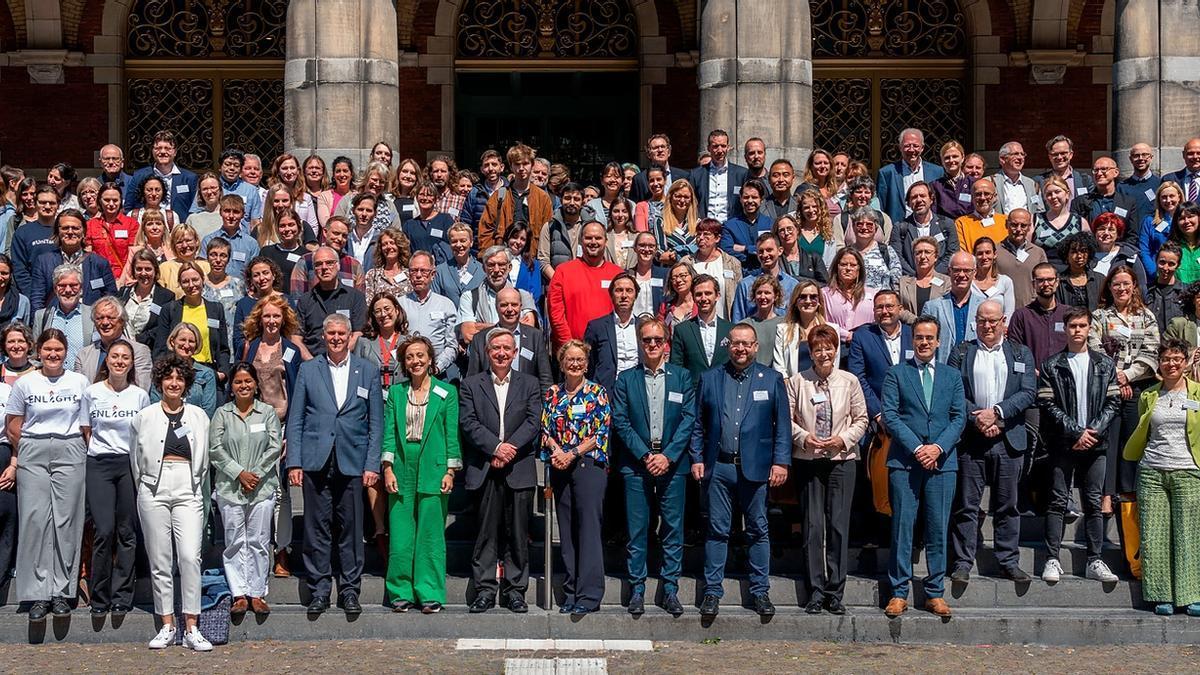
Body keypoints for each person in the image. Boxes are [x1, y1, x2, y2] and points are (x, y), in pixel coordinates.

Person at [286, 314, 382, 617]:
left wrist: (372, 464)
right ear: (324, 336)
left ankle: (350, 590)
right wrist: (294, 462)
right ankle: (319, 590)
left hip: (353, 461)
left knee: (351, 530)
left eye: (342, 333)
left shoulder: (366, 370)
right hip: (316, 460)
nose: (337, 338)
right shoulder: (309, 370)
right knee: (316, 529)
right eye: (331, 334)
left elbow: (376, 422)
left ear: (349, 336)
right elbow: (296, 418)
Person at [691, 323, 790, 617]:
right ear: (727, 346)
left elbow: (782, 425)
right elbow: (698, 424)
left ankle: (760, 592)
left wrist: (780, 461)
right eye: (736, 343)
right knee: (717, 531)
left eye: (747, 343)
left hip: (757, 468)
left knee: (758, 530)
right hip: (719, 466)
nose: (741, 349)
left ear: (756, 346)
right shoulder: (710, 379)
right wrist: (696, 457)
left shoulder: (771, 379)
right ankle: (712, 592)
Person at [944, 299, 1037, 583]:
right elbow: (953, 391)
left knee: (1007, 505)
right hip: (972, 440)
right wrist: (979, 419)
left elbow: (1028, 393)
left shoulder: (1020, 352)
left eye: (992, 320)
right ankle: (962, 562)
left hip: (1008, 437)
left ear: (1003, 322)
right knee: (967, 506)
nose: (987, 325)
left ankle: (1008, 561)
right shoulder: (962, 352)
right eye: (982, 320)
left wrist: (997, 414)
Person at [881, 316, 968, 618]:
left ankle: (934, 592)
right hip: (905, 461)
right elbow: (890, 416)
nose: (924, 342)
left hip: (942, 462)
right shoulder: (897, 374)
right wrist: (918, 448)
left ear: (939, 341)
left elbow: (959, 417)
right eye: (919, 337)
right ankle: (898, 592)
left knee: (937, 527)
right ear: (912, 340)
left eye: (930, 338)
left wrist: (937, 448)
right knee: (902, 527)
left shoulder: (951, 376)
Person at [4, 329, 90, 622]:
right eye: (48, 349)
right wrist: (28, 447)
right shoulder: (26, 383)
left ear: (66, 352)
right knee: (35, 519)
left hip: (70, 448)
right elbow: (13, 423)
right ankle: (36, 594)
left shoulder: (79, 381)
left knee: (66, 520)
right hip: (35, 449)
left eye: (59, 349)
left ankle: (62, 592)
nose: (53, 354)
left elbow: (86, 422)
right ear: (37, 351)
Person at [611, 317, 695, 616]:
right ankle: (637, 588)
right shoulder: (626, 379)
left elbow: (688, 419)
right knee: (638, 529)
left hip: (672, 464)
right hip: (637, 464)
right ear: (639, 343)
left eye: (658, 340)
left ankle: (670, 589)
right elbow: (620, 420)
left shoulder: (682, 377)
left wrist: (668, 456)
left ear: (666, 344)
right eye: (647, 340)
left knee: (673, 529)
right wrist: (646, 455)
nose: (652, 345)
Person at [131, 353, 213, 650]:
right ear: (160, 381)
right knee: (160, 559)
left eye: (180, 378)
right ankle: (167, 624)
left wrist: (195, 483)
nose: (174, 383)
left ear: (186, 383)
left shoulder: (198, 416)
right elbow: (135, 458)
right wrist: (146, 484)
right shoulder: (145, 416)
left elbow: (204, 456)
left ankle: (192, 626)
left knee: (190, 556)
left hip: (188, 487)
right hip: (154, 486)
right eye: (169, 377)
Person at [786, 324, 868, 615]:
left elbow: (862, 419)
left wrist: (842, 440)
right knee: (813, 527)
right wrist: (804, 438)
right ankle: (815, 590)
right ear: (810, 351)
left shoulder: (849, 381)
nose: (823, 353)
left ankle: (835, 590)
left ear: (837, 349)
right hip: (808, 460)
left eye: (828, 347)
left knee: (837, 526)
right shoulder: (798, 382)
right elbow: (788, 419)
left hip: (841, 460)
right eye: (818, 348)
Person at [1037, 306, 1123, 583]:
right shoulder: (1053, 364)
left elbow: (1114, 402)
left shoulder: (1104, 363)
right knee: (1058, 500)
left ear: (1089, 329)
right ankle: (1052, 558)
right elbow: (1047, 403)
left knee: (1094, 501)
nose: (1077, 330)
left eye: (1082, 326)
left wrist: (1093, 431)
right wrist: (1076, 432)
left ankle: (1094, 560)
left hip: (1096, 444)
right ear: (1066, 328)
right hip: (1064, 443)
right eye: (1072, 325)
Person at [460, 328, 541, 614]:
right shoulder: (471, 384)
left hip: (518, 467)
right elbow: (468, 423)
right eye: (496, 348)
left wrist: (510, 449)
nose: (502, 353)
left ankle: (516, 590)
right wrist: (495, 448)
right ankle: (484, 590)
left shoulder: (529, 384)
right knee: (485, 533)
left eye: (507, 348)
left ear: (515, 352)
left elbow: (534, 421)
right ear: (487, 351)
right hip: (485, 466)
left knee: (518, 532)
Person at [378, 336, 460, 614]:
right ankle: (400, 591)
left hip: (434, 467)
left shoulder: (447, 392)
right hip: (402, 465)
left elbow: (452, 434)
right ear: (403, 362)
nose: (415, 361)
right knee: (401, 534)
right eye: (410, 357)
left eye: (420, 356)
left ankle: (430, 592)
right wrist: (387, 467)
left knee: (430, 535)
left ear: (430, 359)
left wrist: (451, 469)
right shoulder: (397, 394)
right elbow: (389, 432)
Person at [1123, 338, 1200, 616]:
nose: (1171, 364)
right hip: (1153, 470)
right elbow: (1145, 429)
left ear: (1187, 362)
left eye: (1177, 359)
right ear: (1160, 363)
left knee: (1188, 535)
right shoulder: (1149, 395)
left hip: (1188, 470)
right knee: (1154, 535)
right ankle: (1161, 595)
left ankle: (1190, 595)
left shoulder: (1198, 395)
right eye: (1166, 359)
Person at [542, 340, 611, 615]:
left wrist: (571, 453)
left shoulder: (597, 393)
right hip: (559, 467)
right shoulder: (552, 393)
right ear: (561, 363)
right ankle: (570, 591)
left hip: (588, 466)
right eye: (569, 359)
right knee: (567, 533)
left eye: (580, 359)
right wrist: (556, 450)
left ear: (586, 363)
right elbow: (545, 429)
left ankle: (590, 594)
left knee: (589, 530)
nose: (575, 364)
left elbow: (600, 433)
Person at [210, 362, 282, 618]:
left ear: (255, 384)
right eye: (238, 381)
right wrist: (239, 473)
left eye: (248, 381)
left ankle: (257, 592)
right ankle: (239, 593)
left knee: (259, 541)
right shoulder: (222, 414)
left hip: (262, 488)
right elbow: (215, 449)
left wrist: (256, 474)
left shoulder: (267, 413)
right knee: (234, 541)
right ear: (231, 386)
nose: (243, 385)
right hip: (230, 487)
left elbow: (274, 446)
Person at [1090, 265, 1160, 514]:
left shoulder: (1146, 316)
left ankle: (1128, 491)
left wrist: (1127, 376)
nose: (1121, 288)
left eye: (1125, 283)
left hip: (1137, 387)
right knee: (1108, 441)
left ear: (1134, 286)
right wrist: (1116, 379)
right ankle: (1106, 494)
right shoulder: (1100, 316)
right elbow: (1094, 349)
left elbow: (1151, 353)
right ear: (1109, 287)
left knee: (1131, 441)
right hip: (1107, 388)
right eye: (1116, 284)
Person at [241, 294, 303, 577]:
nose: (272, 321)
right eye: (267, 316)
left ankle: (282, 550)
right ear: (259, 319)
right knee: (256, 488)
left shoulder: (290, 349)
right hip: (254, 425)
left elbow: (297, 392)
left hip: (281, 424)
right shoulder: (251, 347)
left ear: (284, 319)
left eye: (276, 316)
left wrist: (291, 432)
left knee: (280, 493)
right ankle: (257, 548)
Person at [546, 221, 622, 347]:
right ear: (581, 241)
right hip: (571, 350)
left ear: (606, 241)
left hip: (608, 349)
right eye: (588, 238)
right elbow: (555, 312)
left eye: (598, 238)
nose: (593, 242)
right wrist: (568, 344)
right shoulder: (563, 271)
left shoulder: (617, 274)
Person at [155, 262, 230, 384]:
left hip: (209, 373)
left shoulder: (216, 309)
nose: (191, 285)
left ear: (203, 279)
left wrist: (222, 373)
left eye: (195, 280)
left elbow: (223, 348)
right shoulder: (170, 310)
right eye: (185, 281)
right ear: (180, 284)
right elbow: (160, 347)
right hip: (178, 373)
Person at [848, 289, 914, 425]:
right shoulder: (862, 336)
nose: (885, 311)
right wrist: (877, 413)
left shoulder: (914, 335)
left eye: (889, 306)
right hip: (877, 416)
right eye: (879, 307)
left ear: (900, 309)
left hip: (912, 414)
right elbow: (858, 378)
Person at [30, 209, 116, 311]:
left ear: (83, 232)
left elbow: (111, 299)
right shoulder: (44, 262)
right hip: (54, 320)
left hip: (89, 322)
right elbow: (37, 299)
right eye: (65, 228)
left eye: (75, 228)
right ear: (58, 231)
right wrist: (41, 323)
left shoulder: (99, 263)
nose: (70, 232)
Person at [476, 143, 555, 253]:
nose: (521, 168)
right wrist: (492, 257)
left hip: (532, 257)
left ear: (532, 165)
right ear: (511, 166)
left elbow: (549, 232)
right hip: (504, 257)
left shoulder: (542, 198)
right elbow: (485, 230)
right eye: (517, 164)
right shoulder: (499, 196)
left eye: (525, 164)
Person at [296, 246, 368, 357]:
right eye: (319, 264)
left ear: (338, 266)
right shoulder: (305, 300)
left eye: (329, 263)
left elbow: (358, 333)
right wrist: (312, 363)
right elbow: (296, 338)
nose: (324, 267)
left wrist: (338, 358)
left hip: (345, 363)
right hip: (313, 363)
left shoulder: (355, 297)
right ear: (314, 269)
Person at [396, 251, 458, 378]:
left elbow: (452, 345)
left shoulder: (446, 305)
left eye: (423, 271)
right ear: (409, 274)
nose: (418, 275)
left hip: (437, 373)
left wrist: (437, 366)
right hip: (406, 373)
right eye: (414, 271)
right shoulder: (399, 304)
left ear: (433, 274)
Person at [730, 231, 812, 322]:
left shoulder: (792, 285)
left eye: (769, 250)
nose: (765, 255)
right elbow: (737, 321)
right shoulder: (745, 285)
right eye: (760, 251)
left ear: (780, 251)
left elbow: (797, 319)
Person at [582, 272, 641, 392]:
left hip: (637, 391)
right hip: (606, 392)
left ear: (635, 295)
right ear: (611, 295)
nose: (624, 295)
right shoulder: (596, 327)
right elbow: (589, 364)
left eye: (629, 290)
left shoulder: (644, 327)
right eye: (619, 290)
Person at [74, 296, 154, 385]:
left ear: (122, 321)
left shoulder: (139, 352)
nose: (105, 322)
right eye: (99, 318)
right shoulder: (84, 355)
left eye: (111, 318)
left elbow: (141, 389)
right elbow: (79, 389)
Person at [924, 250, 984, 363]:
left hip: (975, 370)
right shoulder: (932, 307)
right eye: (956, 270)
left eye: (967, 270)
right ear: (949, 271)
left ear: (975, 273)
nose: (961, 275)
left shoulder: (984, 306)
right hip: (944, 370)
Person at [122, 130, 198, 218]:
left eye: (167, 148)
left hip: (178, 229)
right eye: (158, 148)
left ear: (175, 152)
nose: (162, 152)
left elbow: (195, 210)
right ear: (152, 151)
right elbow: (128, 207)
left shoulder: (190, 178)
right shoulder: (139, 176)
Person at [876, 128, 945, 224]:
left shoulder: (937, 172)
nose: (911, 150)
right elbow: (881, 207)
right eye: (907, 146)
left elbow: (941, 203)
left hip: (929, 228)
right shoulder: (887, 173)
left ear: (922, 148)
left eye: (916, 146)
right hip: (899, 228)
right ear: (900, 148)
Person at [1008, 263, 1071, 365]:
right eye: (1040, 280)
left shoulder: (1068, 314)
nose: (1046, 284)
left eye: (1050, 279)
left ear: (1057, 282)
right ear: (1033, 284)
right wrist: (1030, 370)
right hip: (1034, 377)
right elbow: (1015, 350)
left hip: (1064, 376)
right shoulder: (1022, 316)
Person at [31, 264, 94, 366]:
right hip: (50, 379)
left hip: (82, 379)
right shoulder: (41, 316)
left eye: (73, 285)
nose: (68, 290)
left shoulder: (92, 315)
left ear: (81, 289)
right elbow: (35, 354)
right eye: (62, 286)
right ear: (55, 289)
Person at [669, 274, 731, 378]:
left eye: (708, 293)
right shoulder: (682, 330)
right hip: (694, 391)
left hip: (724, 390)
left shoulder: (730, 329)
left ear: (717, 296)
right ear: (693, 297)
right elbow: (676, 368)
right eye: (698, 294)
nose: (703, 298)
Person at [892, 181, 959, 275]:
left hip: (940, 281)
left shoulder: (946, 224)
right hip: (911, 281)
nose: (919, 200)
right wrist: (915, 276)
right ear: (909, 203)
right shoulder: (900, 227)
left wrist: (933, 275)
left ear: (931, 199)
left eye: (922, 196)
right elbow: (896, 257)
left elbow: (952, 253)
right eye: (914, 197)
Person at [153, 323, 217, 417]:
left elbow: (208, 411)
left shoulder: (206, 374)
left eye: (191, 341)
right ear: (172, 341)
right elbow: (155, 402)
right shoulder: (161, 369)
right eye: (183, 340)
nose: (187, 345)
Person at [684, 218, 743, 319]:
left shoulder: (732, 263)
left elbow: (739, 298)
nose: (701, 238)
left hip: (724, 320)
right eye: (698, 234)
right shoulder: (686, 262)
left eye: (706, 234)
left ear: (717, 238)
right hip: (693, 322)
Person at [773, 280, 832, 377]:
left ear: (819, 302)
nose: (808, 301)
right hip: (793, 387)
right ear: (795, 302)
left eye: (813, 297)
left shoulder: (831, 329)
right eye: (803, 297)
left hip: (823, 386)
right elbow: (779, 366)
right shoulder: (783, 330)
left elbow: (834, 365)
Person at [690, 129, 749, 223]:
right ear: (709, 148)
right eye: (715, 146)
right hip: (705, 229)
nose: (720, 150)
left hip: (731, 228)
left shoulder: (741, 174)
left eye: (723, 146)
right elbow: (692, 203)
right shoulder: (697, 174)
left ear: (728, 147)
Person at [994, 208, 1049, 308]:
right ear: (1006, 224)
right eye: (1014, 225)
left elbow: (1045, 280)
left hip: (1032, 310)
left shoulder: (1038, 253)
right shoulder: (995, 252)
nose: (1018, 229)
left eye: (1023, 225)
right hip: (1002, 310)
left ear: (1029, 227)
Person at [822, 247, 877, 343]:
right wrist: (846, 335)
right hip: (835, 345)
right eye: (843, 264)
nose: (848, 268)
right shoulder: (824, 294)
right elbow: (821, 322)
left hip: (867, 344)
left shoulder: (873, 295)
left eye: (853, 265)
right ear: (837, 267)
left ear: (859, 269)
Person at [199, 194, 261, 280]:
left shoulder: (251, 244)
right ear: (220, 212)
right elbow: (203, 269)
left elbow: (255, 272)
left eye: (236, 212)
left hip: (241, 291)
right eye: (227, 211)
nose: (231, 216)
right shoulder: (208, 240)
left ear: (243, 214)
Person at [1034, 176, 1089, 271]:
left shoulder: (1080, 222)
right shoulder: (1035, 219)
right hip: (1045, 278)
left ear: (1067, 193)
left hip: (1072, 277)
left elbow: (1089, 251)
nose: (1053, 196)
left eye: (1057, 192)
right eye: (1049, 194)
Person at [119, 250, 172, 349]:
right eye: (139, 269)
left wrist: (140, 339)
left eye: (148, 269)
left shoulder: (166, 297)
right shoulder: (123, 293)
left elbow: (163, 327)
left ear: (155, 270)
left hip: (149, 352)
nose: (143, 273)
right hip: (122, 352)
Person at [86, 182, 139, 280]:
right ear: (100, 201)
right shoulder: (90, 225)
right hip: (99, 277)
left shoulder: (131, 224)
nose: (111, 204)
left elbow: (133, 256)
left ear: (120, 201)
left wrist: (122, 280)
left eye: (115, 200)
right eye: (106, 200)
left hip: (124, 277)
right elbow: (89, 255)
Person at [719, 180, 774, 267]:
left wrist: (745, 248)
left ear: (762, 200)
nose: (750, 200)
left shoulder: (770, 224)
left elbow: (774, 250)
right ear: (740, 199)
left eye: (754, 197)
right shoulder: (729, 226)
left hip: (766, 272)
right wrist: (754, 254)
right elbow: (727, 251)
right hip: (741, 272)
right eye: (746, 197)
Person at [898, 236, 951, 322]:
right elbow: (898, 308)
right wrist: (917, 322)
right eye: (918, 253)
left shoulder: (947, 282)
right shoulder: (902, 282)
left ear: (936, 257)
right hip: (909, 330)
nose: (922, 256)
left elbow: (947, 309)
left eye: (927, 252)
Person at [1138, 181, 1183, 277]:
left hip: (1183, 273)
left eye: (1172, 196)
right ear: (1159, 199)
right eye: (1164, 197)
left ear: (1179, 197)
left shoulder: (1187, 221)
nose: (1168, 200)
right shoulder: (1149, 221)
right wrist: (1155, 272)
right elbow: (1144, 250)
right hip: (1157, 273)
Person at [954, 177, 1008, 255]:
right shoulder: (961, 223)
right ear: (972, 197)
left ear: (995, 197)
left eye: (986, 194)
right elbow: (963, 253)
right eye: (978, 194)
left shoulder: (1006, 221)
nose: (982, 198)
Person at [1037, 135, 1094, 206]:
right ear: (1050, 157)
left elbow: (1092, 205)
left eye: (1063, 153)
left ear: (1071, 154)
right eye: (1055, 154)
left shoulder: (1085, 180)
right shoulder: (1039, 181)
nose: (1059, 157)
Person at [428, 223, 479, 304]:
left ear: (471, 242)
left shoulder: (482, 270)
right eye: (454, 241)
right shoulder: (440, 271)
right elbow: (434, 301)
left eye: (463, 241)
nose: (458, 245)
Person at [157, 224, 212, 299]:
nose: (185, 245)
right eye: (179, 242)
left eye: (188, 240)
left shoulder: (208, 267)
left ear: (196, 241)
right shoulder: (164, 269)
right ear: (173, 245)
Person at [1055, 232, 1105, 311]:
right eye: (1074, 252)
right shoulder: (1059, 281)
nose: (1079, 256)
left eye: (1083, 251)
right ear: (1066, 255)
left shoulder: (1100, 279)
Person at [971, 237, 1016, 319]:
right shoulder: (969, 283)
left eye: (988, 252)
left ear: (994, 254)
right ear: (974, 256)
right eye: (980, 253)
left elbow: (1009, 313)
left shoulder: (1005, 282)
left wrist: (1004, 328)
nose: (984, 257)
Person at [745, 274, 784, 366]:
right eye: (759, 293)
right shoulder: (746, 325)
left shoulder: (784, 324)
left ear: (776, 296)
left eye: (767, 293)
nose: (762, 297)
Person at [1145, 243, 1186, 330]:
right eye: (1162, 262)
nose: (1165, 267)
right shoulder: (1146, 290)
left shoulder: (1185, 292)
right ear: (1156, 261)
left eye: (1171, 264)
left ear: (1178, 265)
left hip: (1178, 342)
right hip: (1152, 342)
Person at [992, 141, 1040, 216]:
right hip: (999, 226)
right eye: (1015, 154)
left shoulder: (1032, 184)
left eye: (1022, 154)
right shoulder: (990, 182)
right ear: (1002, 159)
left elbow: (1038, 210)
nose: (1020, 157)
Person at [629, 134, 681, 202]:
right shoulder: (639, 180)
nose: (660, 150)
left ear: (669, 151)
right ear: (648, 154)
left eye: (663, 147)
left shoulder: (683, 176)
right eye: (655, 148)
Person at [930, 141, 973, 219]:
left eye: (955, 156)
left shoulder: (973, 183)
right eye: (947, 158)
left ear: (962, 157)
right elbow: (934, 214)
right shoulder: (935, 186)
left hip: (969, 228)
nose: (951, 160)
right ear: (942, 161)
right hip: (946, 229)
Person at [1169, 201, 1200, 284]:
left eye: (1190, 216)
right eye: (1182, 218)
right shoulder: (1170, 248)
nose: (1186, 221)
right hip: (1178, 295)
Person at [0, 253, 31, 327]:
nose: (0, 278)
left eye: (4, 273)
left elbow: (24, 332)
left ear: (10, 275)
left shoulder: (22, 301)